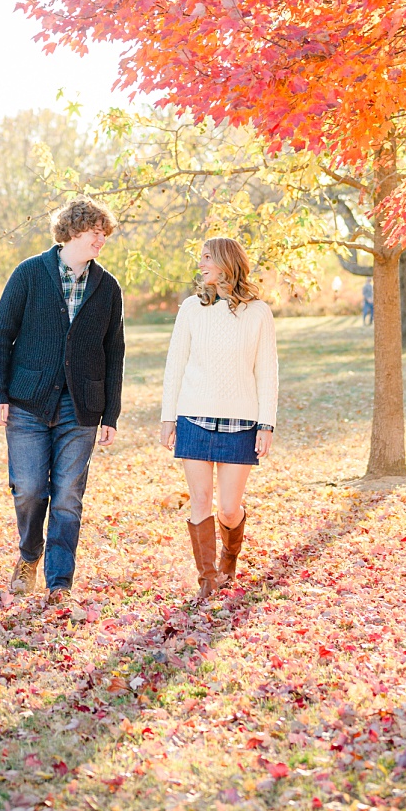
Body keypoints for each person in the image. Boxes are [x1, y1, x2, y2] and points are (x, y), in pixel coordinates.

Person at [0, 199, 126, 608]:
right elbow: (0, 334)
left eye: (105, 232)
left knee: (68, 495)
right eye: (94, 230)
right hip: (27, 403)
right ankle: (30, 555)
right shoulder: (29, 273)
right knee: (29, 489)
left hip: (81, 408)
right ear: (71, 230)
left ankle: (59, 582)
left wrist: (111, 413)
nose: (101, 238)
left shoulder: (108, 287)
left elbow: (113, 352)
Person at [158, 237, 278, 596]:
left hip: (240, 423)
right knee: (199, 501)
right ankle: (207, 580)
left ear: (227, 262)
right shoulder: (191, 309)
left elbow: (267, 371)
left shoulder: (258, 312)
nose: (201, 264)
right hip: (193, 418)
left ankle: (230, 554)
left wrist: (266, 423)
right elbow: (175, 365)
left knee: (228, 508)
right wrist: (168, 418)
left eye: (207, 258)